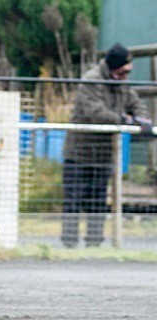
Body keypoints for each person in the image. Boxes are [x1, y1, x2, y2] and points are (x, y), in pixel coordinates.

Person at [62, 42, 152, 247]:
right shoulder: (91, 81)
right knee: (73, 202)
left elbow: (137, 104)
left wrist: (142, 119)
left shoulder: (121, 84)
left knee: (97, 204)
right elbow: (96, 112)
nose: (125, 76)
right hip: (79, 154)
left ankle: (94, 245)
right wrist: (126, 120)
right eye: (123, 71)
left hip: (103, 155)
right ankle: (69, 245)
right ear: (113, 67)